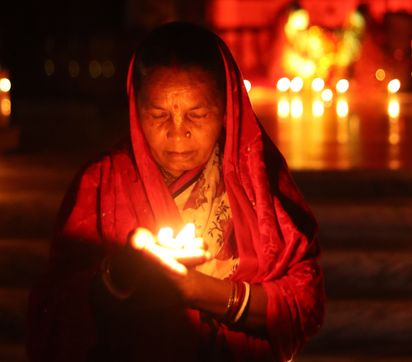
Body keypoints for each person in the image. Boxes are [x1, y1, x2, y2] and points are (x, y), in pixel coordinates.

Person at [28, 22, 324, 362]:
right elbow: (52, 317)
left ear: (227, 110)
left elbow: (304, 304)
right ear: (135, 109)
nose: (177, 132)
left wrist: (199, 291)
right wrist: (119, 275)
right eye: (158, 114)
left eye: (197, 114)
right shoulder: (101, 184)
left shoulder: (256, 181)